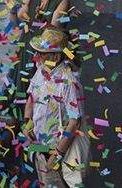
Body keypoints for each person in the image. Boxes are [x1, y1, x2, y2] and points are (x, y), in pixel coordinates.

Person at [23, 28, 87, 188]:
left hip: (57, 149)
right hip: (39, 144)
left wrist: (57, 155)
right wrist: (27, 121)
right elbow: (31, 97)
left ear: (56, 57)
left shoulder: (69, 82)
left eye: (42, 53)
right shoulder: (41, 69)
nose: (37, 56)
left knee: (56, 182)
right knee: (44, 181)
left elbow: (74, 122)